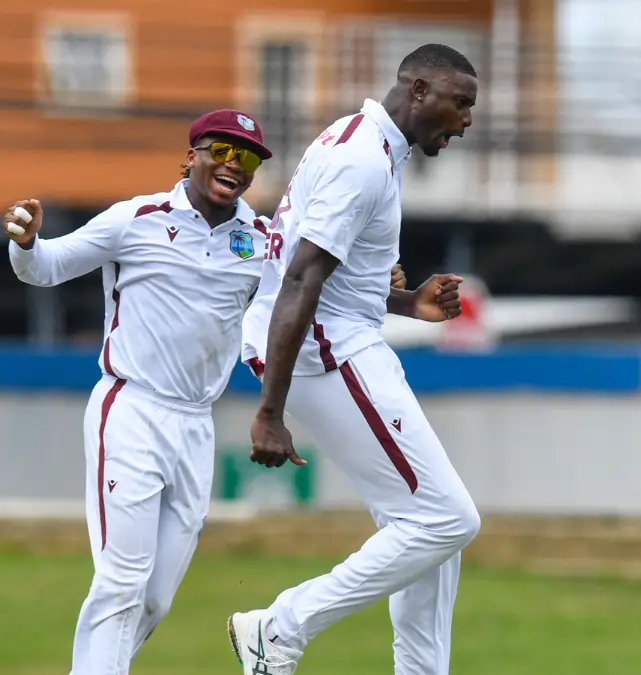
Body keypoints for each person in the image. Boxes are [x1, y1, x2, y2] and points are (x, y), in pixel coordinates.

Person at [227, 43, 478, 675]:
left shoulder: (365, 143)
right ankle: (278, 629)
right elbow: (299, 281)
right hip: (325, 350)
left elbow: (335, 275)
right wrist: (269, 412)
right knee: (447, 518)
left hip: (334, 337)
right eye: (461, 103)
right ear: (419, 89)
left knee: (426, 531)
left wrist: (403, 300)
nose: (467, 121)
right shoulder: (363, 161)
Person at [4, 110, 275, 675]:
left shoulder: (262, 240)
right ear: (191, 155)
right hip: (131, 409)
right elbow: (47, 268)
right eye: (220, 151)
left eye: (246, 158)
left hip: (197, 423)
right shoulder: (137, 218)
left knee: (154, 599)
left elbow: (313, 292)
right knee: (121, 583)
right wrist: (27, 242)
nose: (233, 165)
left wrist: (394, 292)